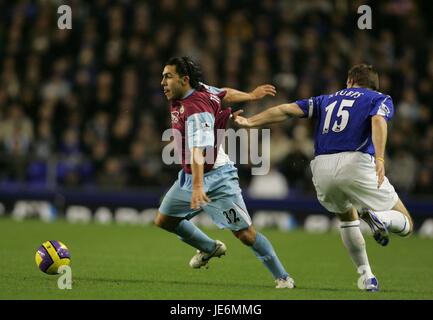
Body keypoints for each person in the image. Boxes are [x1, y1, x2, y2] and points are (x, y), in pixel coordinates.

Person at [233, 64, 414, 292]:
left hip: (322, 166)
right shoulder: (379, 98)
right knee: (406, 222)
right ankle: (380, 218)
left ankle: (367, 276)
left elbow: (286, 110)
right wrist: (379, 158)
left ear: (350, 81)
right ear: (374, 84)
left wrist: (250, 121)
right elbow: (378, 121)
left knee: (347, 218)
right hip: (356, 164)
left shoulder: (326, 99)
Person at [154, 56, 295, 289]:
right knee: (165, 220)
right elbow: (225, 93)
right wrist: (251, 95)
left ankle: (283, 277)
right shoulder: (200, 90)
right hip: (191, 176)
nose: (163, 82)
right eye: (162, 76)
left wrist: (198, 186)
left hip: (216, 177)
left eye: (168, 76)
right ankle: (210, 247)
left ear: (184, 80)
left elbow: (198, 152)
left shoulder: (196, 110)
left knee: (245, 234)